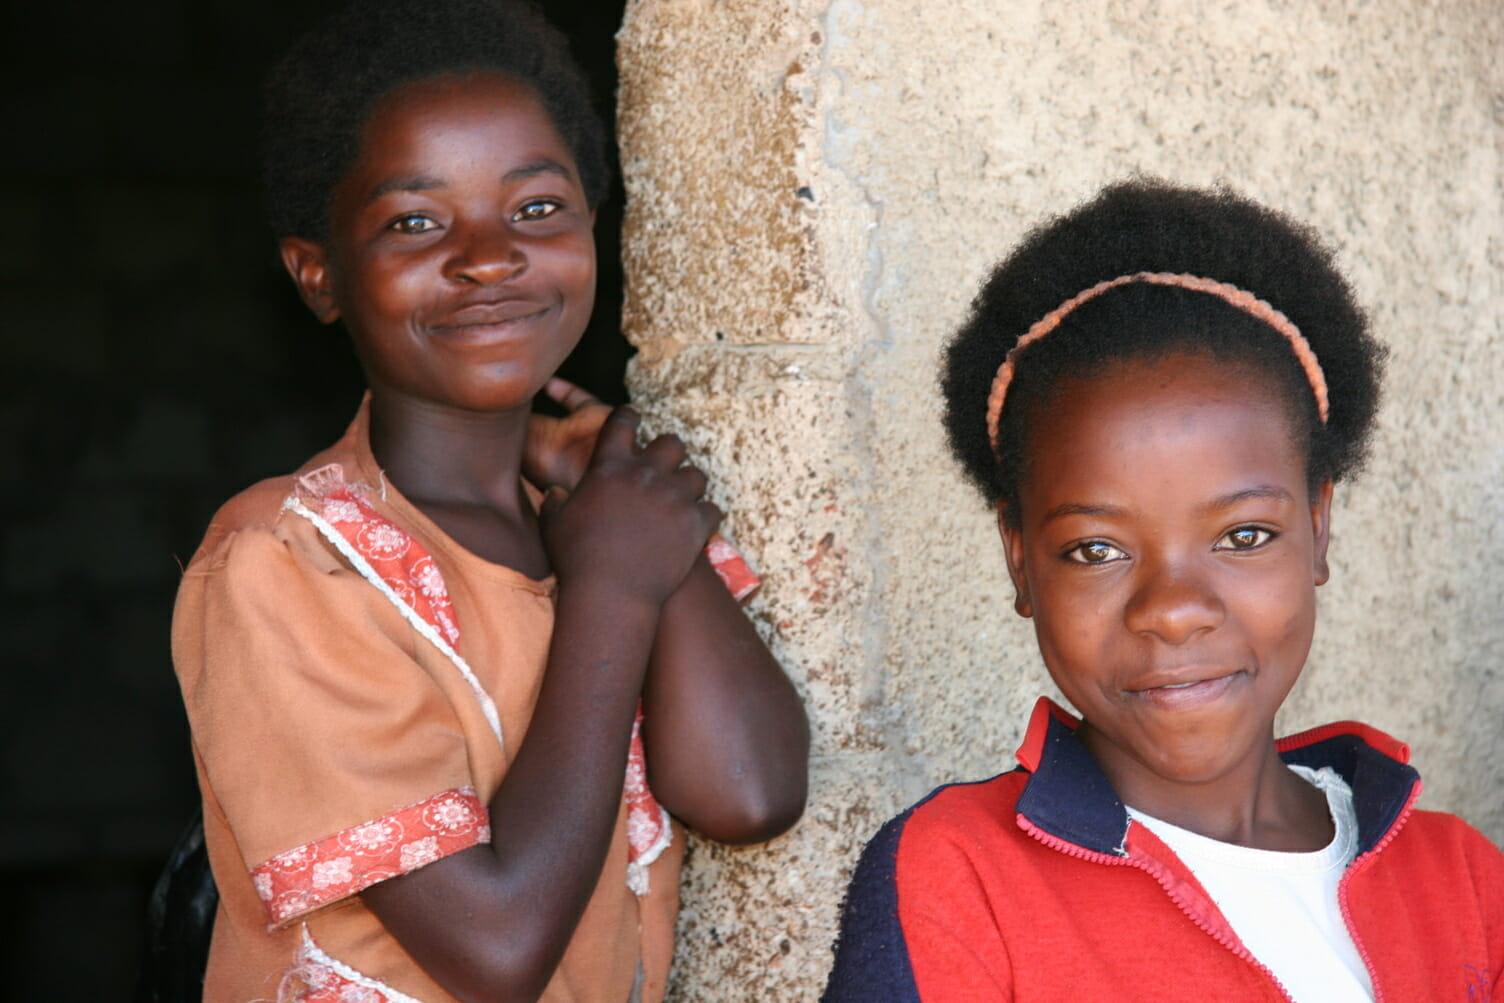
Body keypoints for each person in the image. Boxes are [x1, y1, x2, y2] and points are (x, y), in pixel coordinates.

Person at [170, 2, 810, 1000]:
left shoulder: (605, 516)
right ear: (319, 274)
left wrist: (631, 523)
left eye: (538, 207)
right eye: (415, 222)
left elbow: (748, 792)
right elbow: (496, 946)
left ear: (595, 226)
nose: (489, 255)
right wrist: (613, 588)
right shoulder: (285, 563)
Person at [823, 180, 1504, 1001]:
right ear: (1020, 559)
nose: (1174, 610)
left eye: (1243, 535)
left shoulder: (1465, 883)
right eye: (1097, 549)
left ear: (1318, 526)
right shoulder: (961, 881)